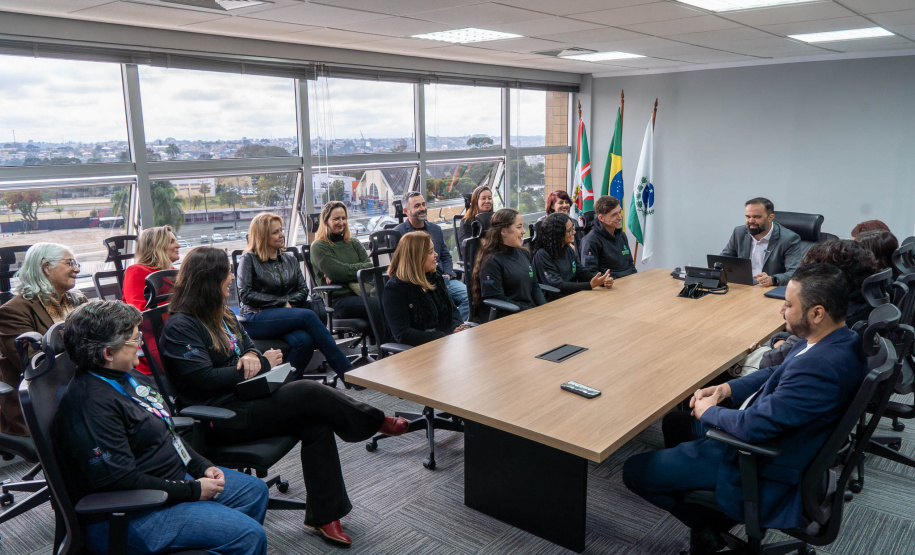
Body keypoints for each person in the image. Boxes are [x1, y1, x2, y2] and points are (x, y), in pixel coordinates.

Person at [160, 247, 408, 546]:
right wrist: (261, 363)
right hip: (221, 417)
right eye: (226, 273)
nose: (230, 279)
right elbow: (202, 381)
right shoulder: (181, 326)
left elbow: (249, 344)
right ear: (208, 280)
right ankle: (375, 421)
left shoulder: (221, 314)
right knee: (305, 391)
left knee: (316, 421)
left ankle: (325, 517)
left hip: (247, 400)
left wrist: (252, 354)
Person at [623, 264, 868, 555]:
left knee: (634, 471)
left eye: (789, 305)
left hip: (757, 457)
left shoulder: (820, 368)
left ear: (817, 313)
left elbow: (754, 426)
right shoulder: (839, 338)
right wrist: (727, 389)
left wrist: (708, 413)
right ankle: (707, 513)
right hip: (776, 435)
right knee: (676, 422)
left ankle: (710, 524)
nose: (781, 311)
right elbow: (777, 372)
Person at [54, 300, 269, 555]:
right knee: (248, 535)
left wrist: (201, 465)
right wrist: (192, 490)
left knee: (254, 491)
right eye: (134, 340)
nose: (141, 344)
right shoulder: (90, 405)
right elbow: (123, 482)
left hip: (170, 481)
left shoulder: (125, 376)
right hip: (136, 511)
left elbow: (168, 431)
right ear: (108, 353)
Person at [237, 212, 354, 381]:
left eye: (281, 230)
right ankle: (347, 372)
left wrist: (287, 305)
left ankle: (287, 385)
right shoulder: (249, 259)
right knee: (307, 316)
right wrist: (283, 303)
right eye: (275, 232)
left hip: (287, 317)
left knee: (304, 341)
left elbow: (302, 290)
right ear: (262, 236)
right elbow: (246, 295)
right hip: (256, 317)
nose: (282, 235)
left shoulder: (289, 259)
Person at [748, 239, 877, 372]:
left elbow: (772, 360)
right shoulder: (866, 299)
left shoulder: (833, 316)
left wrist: (775, 342)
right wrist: (780, 339)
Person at [0, 242, 86, 436]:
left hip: (79, 388)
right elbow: (38, 367)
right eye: (70, 263)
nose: (77, 269)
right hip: (43, 401)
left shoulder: (77, 301)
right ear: (47, 267)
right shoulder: (13, 312)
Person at [383, 232, 468, 346]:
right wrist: (444, 336)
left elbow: (451, 309)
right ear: (416, 257)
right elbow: (403, 335)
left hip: (445, 343)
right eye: (430, 252)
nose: (436, 254)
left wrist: (457, 327)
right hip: (420, 350)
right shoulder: (395, 289)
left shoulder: (435, 276)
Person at [395, 192, 470, 321]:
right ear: (406, 211)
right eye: (417, 206)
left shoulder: (435, 229)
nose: (422, 208)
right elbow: (401, 264)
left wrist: (447, 273)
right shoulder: (398, 233)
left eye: (424, 204)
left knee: (469, 297)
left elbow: (446, 256)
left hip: (442, 278)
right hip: (417, 282)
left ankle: (457, 326)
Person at [309, 201, 382, 330]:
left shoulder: (353, 242)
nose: (341, 222)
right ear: (326, 221)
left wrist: (344, 271)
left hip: (362, 293)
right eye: (336, 218)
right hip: (339, 300)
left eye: (344, 218)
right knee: (378, 304)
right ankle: (386, 345)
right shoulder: (319, 246)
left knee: (394, 298)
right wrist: (352, 270)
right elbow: (338, 272)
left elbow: (368, 267)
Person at [473, 208, 546, 321]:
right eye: (519, 227)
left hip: (528, 313)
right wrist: (531, 311)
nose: (523, 231)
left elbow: (535, 285)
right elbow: (497, 298)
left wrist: (545, 309)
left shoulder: (524, 253)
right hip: (509, 317)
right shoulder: (492, 261)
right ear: (503, 231)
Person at [720, 197, 801, 287]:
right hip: (743, 286)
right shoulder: (739, 232)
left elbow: (795, 273)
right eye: (748, 216)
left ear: (770, 217)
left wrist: (773, 279)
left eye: (756, 217)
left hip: (767, 288)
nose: (751, 221)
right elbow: (722, 260)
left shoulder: (789, 239)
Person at [533, 213, 612, 298]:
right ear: (558, 233)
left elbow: (581, 272)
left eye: (573, 228)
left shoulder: (567, 248)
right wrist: (589, 285)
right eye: (569, 230)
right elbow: (557, 285)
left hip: (573, 295)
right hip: (556, 301)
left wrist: (602, 280)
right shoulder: (542, 254)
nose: (574, 232)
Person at [122, 225, 180, 310]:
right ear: (154, 248)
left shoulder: (177, 272)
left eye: (176, 241)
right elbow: (140, 312)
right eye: (171, 242)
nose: (178, 245)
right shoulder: (136, 271)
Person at [580, 195, 637, 279]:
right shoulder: (591, 240)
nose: (620, 217)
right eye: (614, 215)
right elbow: (589, 273)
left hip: (627, 281)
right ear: (601, 218)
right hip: (609, 285)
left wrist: (635, 279)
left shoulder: (621, 235)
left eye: (620, 212)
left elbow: (630, 264)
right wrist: (606, 281)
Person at [457, 185, 494, 259]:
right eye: (483, 198)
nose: (487, 201)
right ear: (475, 201)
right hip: (478, 260)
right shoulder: (467, 222)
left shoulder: (496, 219)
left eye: (489, 198)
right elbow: (466, 249)